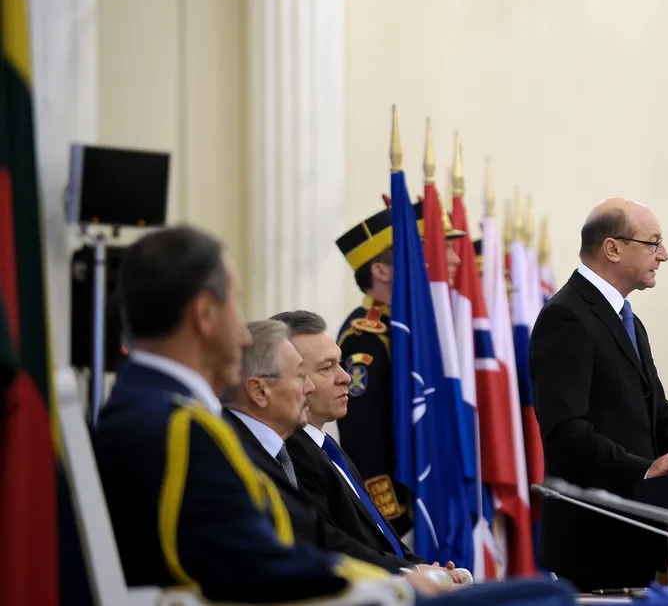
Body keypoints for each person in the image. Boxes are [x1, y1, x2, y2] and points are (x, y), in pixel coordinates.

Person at [92, 226, 401, 603]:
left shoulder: (141, 404)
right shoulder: (182, 428)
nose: (243, 336)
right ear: (204, 314)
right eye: (234, 305)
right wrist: (398, 588)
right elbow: (260, 566)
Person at [528, 198, 668, 591]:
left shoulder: (628, 320)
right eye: (654, 243)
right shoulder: (567, 316)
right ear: (613, 248)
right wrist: (643, 470)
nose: (664, 255)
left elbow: (658, 414)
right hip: (593, 538)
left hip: (636, 533)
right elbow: (565, 431)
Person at [271, 310, 468, 583]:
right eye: (326, 368)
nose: (346, 378)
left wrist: (425, 569)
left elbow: (379, 536)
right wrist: (413, 574)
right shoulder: (288, 454)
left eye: (340, 364)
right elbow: (331, 545)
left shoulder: (327, 448)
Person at [221, 319, 423, 575]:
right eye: (300, 376)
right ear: (259, 391)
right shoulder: (243, 452)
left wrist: (420, 568)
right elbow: (318, 546)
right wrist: (411, 575)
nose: (308, 388)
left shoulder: (320, 449)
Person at [332, 204, 463, 541]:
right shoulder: (367, 337)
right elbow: (363, 437)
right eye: (420, 252)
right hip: (406, 513)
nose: (447, 259)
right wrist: (393, 517)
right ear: (382, 270)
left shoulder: (418, 328)